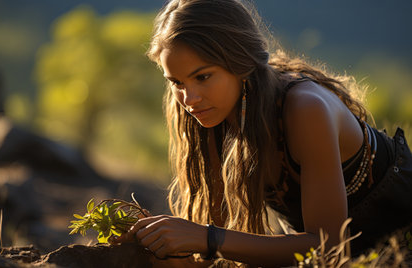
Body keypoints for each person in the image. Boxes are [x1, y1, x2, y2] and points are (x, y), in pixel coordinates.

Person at [115, 0, 412, 266]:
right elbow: (213, 244)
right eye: (177, 82)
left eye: (202, 76)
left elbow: (330, 250)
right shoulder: (209, 115)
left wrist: (205, 238)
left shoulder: (305, 110)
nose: (189, 98)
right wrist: (158, 245)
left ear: (241, 63)